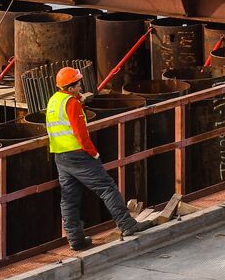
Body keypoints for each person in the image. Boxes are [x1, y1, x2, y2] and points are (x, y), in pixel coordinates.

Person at [46, 66, 156, 250]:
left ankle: (75, 239)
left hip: (60, 156)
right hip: (78, 155)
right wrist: (93, 153)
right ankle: (127, 225)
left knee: (69, 198)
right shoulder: (71, 103)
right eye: (78, 84)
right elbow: (81, 134)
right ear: (71, 87)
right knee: (107, 188)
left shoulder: (54, 101)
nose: (81, 86)